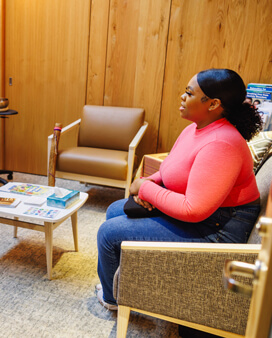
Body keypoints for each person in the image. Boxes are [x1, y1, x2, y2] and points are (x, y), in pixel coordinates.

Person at [96, 68, 263, 311]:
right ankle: (130, 283)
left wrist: (144, 188)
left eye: (189, 93)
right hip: (206, 217)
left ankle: (113, 299)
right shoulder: (194, 129)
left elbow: (194, 210)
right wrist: (149, 183)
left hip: (216, 231)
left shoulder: (222, 143)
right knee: (115, 210)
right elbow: (169, 171)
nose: (182, 97)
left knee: (109, 233)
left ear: (214, 103)